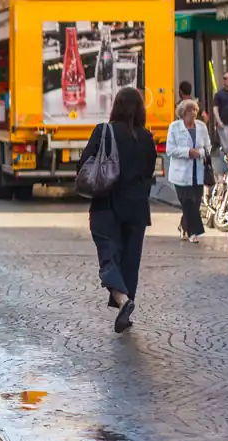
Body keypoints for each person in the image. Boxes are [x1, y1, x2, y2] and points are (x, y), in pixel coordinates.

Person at [80, 87, 157, 333]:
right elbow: (149, 172)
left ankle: (123, 302)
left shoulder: (104, 131)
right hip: (136, 208)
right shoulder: (146, 137)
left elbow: (84, 163)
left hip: (107, 204)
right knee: (129, 261)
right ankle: (126, 303)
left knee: (108, 255)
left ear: (117, 106)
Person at [168, 99, 212, 244]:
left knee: (196, 202)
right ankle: (194, 232)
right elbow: (170, 150)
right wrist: (188, 152)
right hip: (180, 173)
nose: (192, 113)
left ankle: (183, 226)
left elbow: (208, 147)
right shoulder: (174, 127)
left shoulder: (202, 127)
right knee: (187, 202)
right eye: (189, 110)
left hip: (197, 171)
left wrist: (200, 152)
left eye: (194, 110)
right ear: (182, 113)